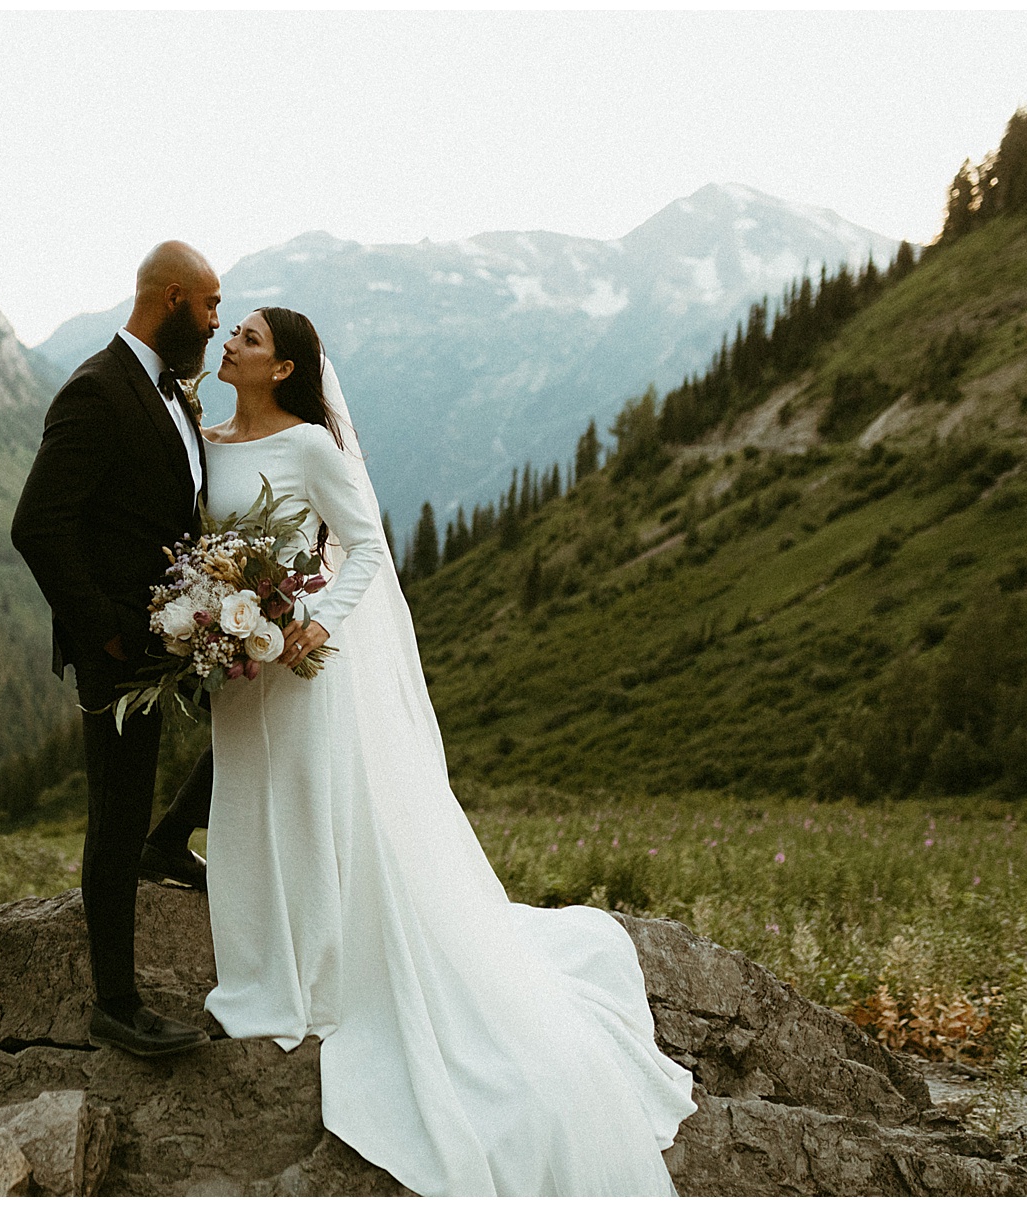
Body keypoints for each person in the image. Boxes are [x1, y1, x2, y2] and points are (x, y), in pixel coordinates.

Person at [197, 306, 698, 1195]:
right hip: (236, 665)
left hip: (298, 660)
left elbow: (366, 548)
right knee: (247, 797)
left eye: (250, 338)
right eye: (231, 329)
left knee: (310, 802)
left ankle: (317, 973)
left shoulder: (313, 446)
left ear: (282, 370)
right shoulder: (209, 434)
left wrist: (312, 623)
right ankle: (262, 959)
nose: (231, 340)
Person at [10, 241, 221, 1059]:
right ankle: (116, 1001)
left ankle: (169, 841)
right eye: (207, 306)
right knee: (114, 810)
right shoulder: (96, 390)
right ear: (171, 298)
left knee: (256, 719)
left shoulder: (175, 393)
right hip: (116, 647)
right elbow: (36, 525)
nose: (214, 321)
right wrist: (103, 627)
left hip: (178, 631)